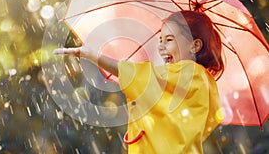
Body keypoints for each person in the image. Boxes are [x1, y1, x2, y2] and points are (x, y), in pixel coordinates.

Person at [54, 10, 224, 154]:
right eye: (160, 40)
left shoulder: (191, 73)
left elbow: (142, 76)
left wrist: (93, 56)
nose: (161, 46)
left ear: (194, 46)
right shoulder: (203, 82)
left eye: (170, 40)